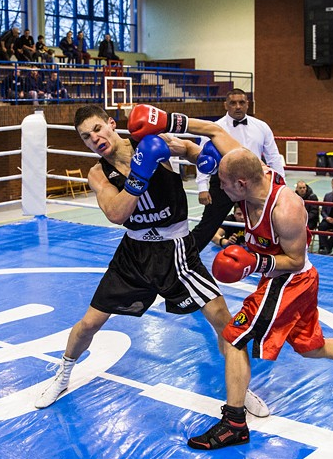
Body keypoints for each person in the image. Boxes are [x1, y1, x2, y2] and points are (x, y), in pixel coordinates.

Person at [32, 104, 270, 432]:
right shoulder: (98, 173)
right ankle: (62, 374)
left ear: (111, 124)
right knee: (88, 324)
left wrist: (202, 156)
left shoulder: (152, 141)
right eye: (86, 137)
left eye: (98, 129)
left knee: (223, 323)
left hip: (177, 250)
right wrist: (139, 175)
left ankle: (241, 391)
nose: (95, 138)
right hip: (134, 254)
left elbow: (193, 152)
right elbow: (116, 213)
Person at [185, 120, 333, 450]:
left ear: (241, 183)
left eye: (223, 183)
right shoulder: (252, 173)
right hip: (290, 280)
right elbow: (216, 133)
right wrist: (169, 123)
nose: (220, 189)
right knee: (312, 348)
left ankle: (234, 423)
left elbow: (293, 260)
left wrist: (254, 262)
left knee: (233, 338)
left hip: (289, 280)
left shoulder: (286, 208)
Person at [191, 88, 286, 252]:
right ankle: (185, 257)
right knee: (207, 225)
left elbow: (274, 157)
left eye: (241, 102)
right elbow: (202, 158)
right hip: (223, 183)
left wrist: (281, 186)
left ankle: (273, 261)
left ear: (247, 104)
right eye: (233, 103)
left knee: (266, 224)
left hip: (254, 183)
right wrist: (202, 188)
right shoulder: (214, 128)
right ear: (225, 105)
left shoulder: (261, 127)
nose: (237, 106)